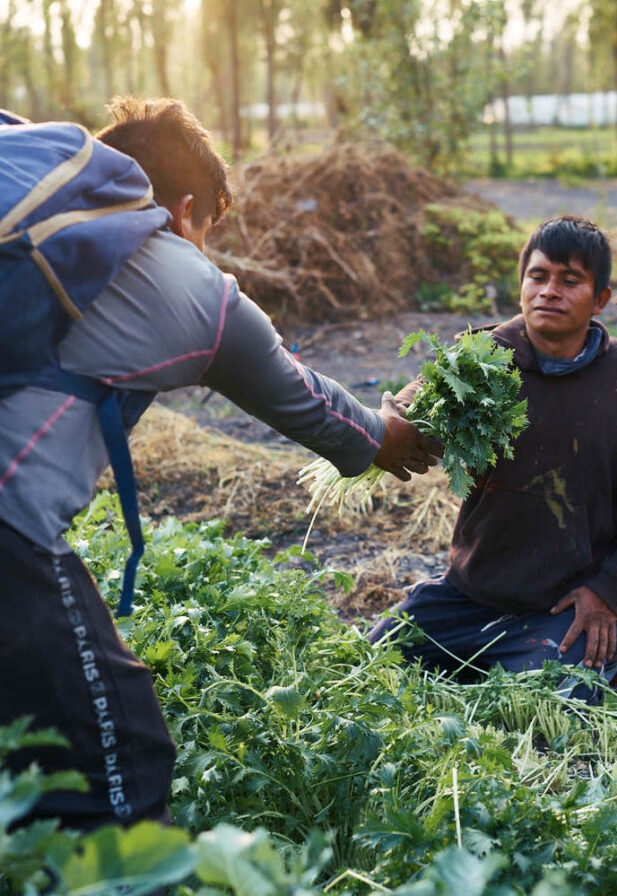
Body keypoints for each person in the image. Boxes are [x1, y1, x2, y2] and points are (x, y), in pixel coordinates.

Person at [0, 96, 441, 833]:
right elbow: (318, 409)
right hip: (9, 536)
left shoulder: (28, 218)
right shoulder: (192, 286)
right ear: (181, 210)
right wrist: (389, 433)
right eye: (205, 228)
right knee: (121, 756)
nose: (202, 247)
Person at [370, 215, 617, 703]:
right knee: (372, 662)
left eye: (571, 280)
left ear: (601, 298)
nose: (550, 291)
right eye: (538, 276)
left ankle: (613, 642)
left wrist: (608, 589)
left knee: (542, 702)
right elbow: (410, 409)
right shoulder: (480, 357)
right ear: (521, 286)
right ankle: (506, 648)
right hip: (468, 593)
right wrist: (390, 421)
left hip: (563, 603)